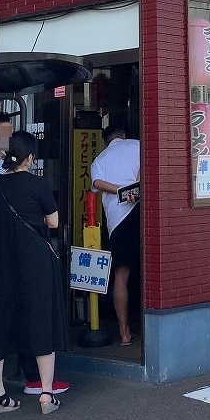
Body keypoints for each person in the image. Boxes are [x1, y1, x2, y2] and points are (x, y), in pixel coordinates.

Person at [0, 113, 69, 402]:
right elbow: (50, 220)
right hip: (17, 255)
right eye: (5, 132)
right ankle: (38, 385)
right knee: (32, 316)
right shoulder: (16, 179)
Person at [90, 123, 141, 346]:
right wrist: (134, 186)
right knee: (150, 267)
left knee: (121, 274)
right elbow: (146, 166)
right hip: (142, 213)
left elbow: (96, 183)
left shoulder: (99, 159)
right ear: (123, 134)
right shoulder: (138, 145)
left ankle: (124, 333)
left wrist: (120, 190)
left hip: (117, 221)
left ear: (106, 140)